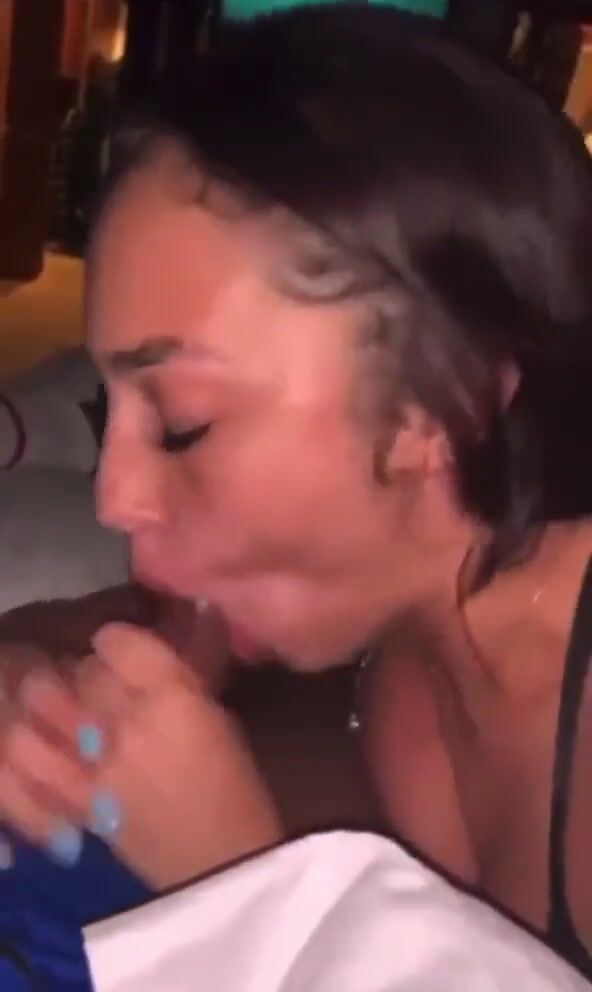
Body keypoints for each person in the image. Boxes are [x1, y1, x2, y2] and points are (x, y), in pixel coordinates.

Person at [2, 2, 592, 979]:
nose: (114, 498)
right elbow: (105, 640)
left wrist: (255, 888)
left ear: (439, 406)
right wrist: (23, 688)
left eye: (184, 422)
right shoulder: (382, 617)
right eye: (112, 413)